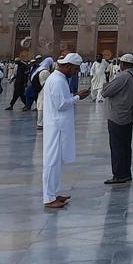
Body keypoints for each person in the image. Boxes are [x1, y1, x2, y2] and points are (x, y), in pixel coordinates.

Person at [42, 54, 91, 210]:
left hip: (59, 126)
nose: (76, 72)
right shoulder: (57, 81)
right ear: (68, 66)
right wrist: (78, 97)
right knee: (51, 162)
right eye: (75, 69)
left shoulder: (60, 79)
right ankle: (49, 198)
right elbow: (61, 105)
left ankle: (54, 193)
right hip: (56, 127)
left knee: (56, 163)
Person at [101, 54, 133, 184]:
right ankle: (126, 173)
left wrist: (107, 83)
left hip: (117, 116)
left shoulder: (123, 77)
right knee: (125, 146)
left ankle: (119, 175)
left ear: (123, 64)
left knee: (117, 146)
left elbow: (105, 92)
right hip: (129, 115)